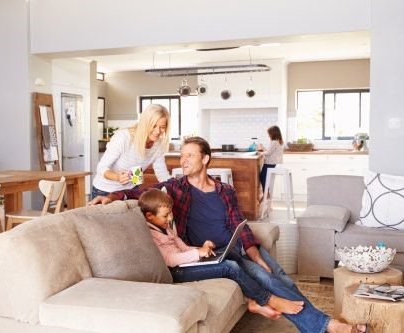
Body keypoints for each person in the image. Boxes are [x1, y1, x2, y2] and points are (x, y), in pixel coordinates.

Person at [90, 136, 368, 333]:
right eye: (182, 154)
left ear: (205, 159)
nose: (182, 159)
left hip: (232, 246)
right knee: (264, 278)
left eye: (189, 155)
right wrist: (113, 195)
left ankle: (322, 325)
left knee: (278, 274)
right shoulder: (176, 188)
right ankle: (328, 326)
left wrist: (256, 254)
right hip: (210, 253)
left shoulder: (226, 191)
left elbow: (240, 226)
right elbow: (143, 192)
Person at [138, 188, 304, 319]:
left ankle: (251, 299)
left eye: (170, 213)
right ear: (150, 216)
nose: (170, 218)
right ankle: (266, 299)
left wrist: (200, 249)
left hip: (186, 263)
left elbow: (182, 248)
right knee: (229, 267)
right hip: (177, 271)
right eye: (166, 215)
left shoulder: (165, 227)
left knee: (229, 253)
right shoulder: (151, 234)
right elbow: (169, 259)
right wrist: (198, 254)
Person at [91, 104, 172, 199]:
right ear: (145, 123)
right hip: (106, 190)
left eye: (162, 127)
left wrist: (176, 186)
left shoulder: (158, 144)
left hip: (132, 190)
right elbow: (101, 168)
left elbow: (162, 173)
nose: (158, 131)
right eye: (153, 126)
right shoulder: (124, 137)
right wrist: (117, 177)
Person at [257, 125, 284, 202]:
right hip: (272, 162)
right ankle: (267, 192)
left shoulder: (274, 142)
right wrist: (263, 149)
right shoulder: (277, 141)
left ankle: (266, 193)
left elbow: (268, 153)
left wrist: (260, 153)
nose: (268, 135)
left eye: (269, 133)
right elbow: (270, 151)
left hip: (270, 162)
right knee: (264, 176)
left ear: (273, 133)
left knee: (262, 177)